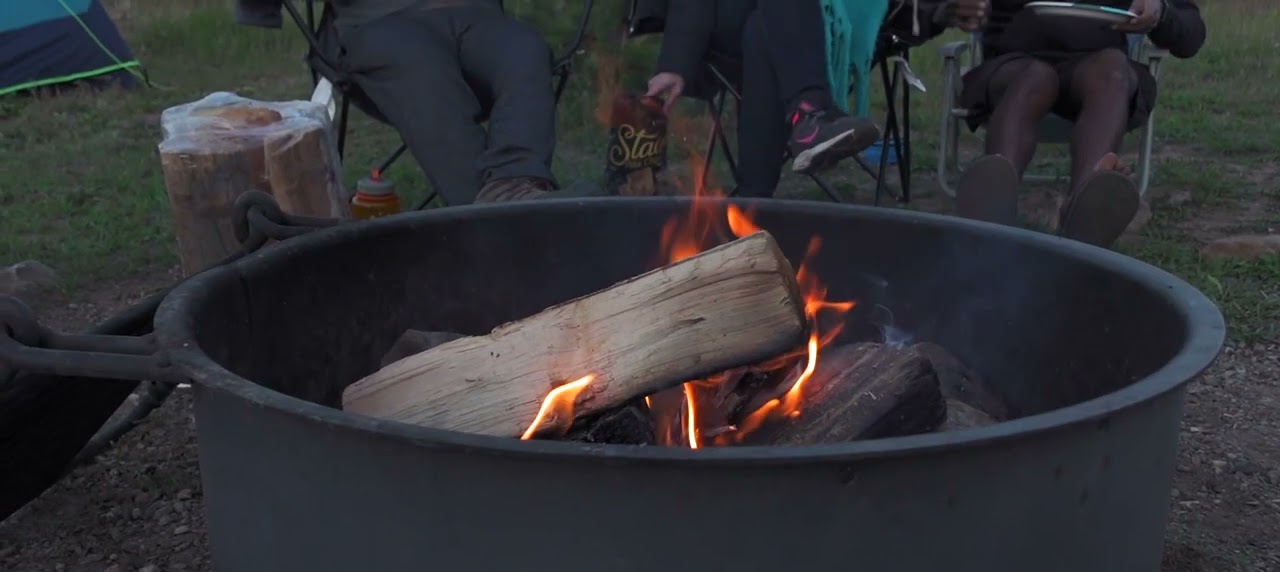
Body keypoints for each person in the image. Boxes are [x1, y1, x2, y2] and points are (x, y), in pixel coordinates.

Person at [234, 0, 588, 205]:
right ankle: (498, 221)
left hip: (475, 15)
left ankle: (514, 186)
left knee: (524, 49)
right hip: (379, 23)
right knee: (419, 66)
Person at [941, 0, 1206, 246]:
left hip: (1093, 68)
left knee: (1112, 71)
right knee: (1035, 77)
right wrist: (954, 8)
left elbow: (1191, 35)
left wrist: (1159, 11)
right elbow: (924, 11)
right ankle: (994, 210)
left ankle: (1083, 212)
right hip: (1010, 65)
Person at [643, 0, 887, 198]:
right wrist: (675, 62)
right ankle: (809, 115)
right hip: (714, 13)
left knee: (760, 30)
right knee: (766, 25)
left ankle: (753, 200)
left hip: (827, 10)